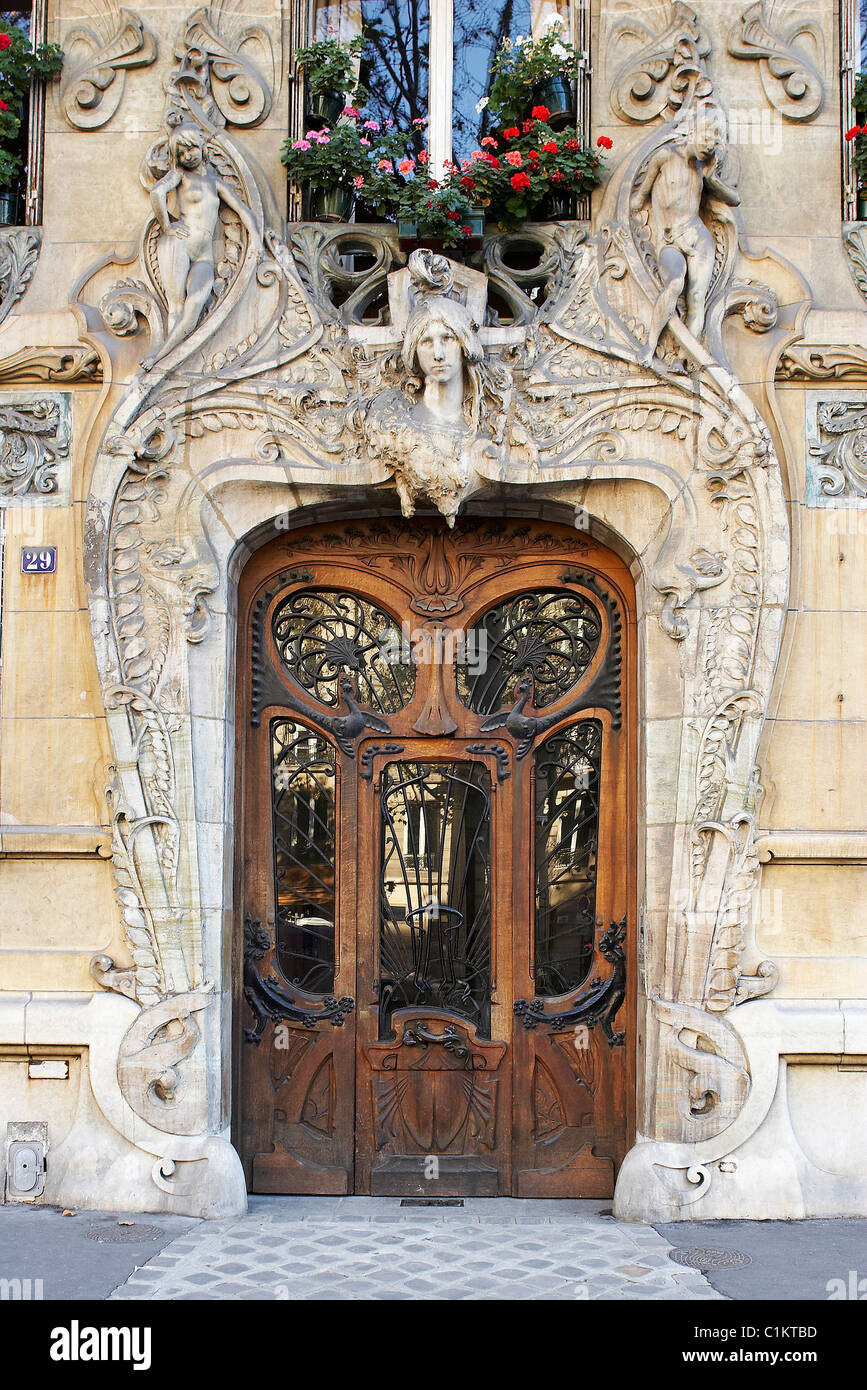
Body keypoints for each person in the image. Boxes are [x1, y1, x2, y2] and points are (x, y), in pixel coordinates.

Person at [630, 106, 739, 367]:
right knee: (675, 284)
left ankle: (684, 359)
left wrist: (710, 179)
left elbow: (735, 198)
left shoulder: (704, 168)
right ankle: (650, 346)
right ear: (692, 133)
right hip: (669, 239)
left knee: (697, 298)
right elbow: (638, 198)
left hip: (699, 238)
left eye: (713, 145)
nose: (708, 148)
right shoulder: (665, 157)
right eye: (705, 141)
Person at [142, 124, 257, 369]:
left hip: (203, 255)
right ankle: (162, 364)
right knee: (176, 307)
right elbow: (157, 193)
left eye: (191, 148)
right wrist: (168, 226)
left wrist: (257, 239)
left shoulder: (215, 183)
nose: (188, 156)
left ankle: (167, 358)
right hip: (178, 244)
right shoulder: (180, 176)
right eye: (182, 153)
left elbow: (241, 209)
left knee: (194, 306)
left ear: (201, 146)